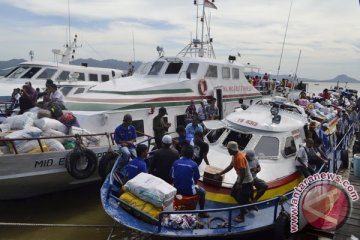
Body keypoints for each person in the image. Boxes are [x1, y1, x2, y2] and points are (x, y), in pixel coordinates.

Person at [215, 141, 253, 223]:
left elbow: (242, 172)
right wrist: (220, 173)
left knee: (241, 198)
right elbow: (231, 166)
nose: (228, 151)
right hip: (240, 179)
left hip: (245, 181)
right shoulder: (234, 155)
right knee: (234, 194)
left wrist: (239, 184)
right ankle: (244, 208)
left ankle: (242, 216)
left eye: (228, 149)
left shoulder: (239, 157)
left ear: (232, 149)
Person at [171, 144, 209, 218]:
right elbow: (196, 180)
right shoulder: (194, 165)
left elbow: (172, 177)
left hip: (176, 189)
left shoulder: (175, 162)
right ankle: (201, 212)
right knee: (203, 192)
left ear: (182, 153)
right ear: (192, 155)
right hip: (189, 191)